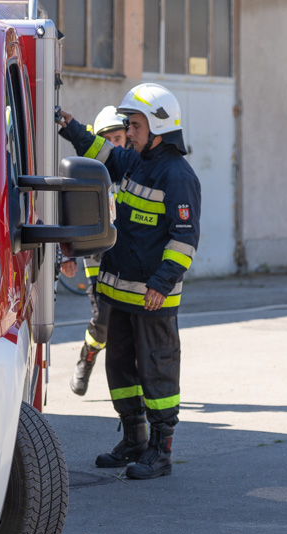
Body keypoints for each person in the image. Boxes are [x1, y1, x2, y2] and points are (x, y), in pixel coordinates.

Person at [57, 83, 201, 480]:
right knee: (120, 368)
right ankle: (134, 439)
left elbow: (184, 239)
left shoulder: (178, 176)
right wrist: (69, 126)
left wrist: (161, 283)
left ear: (157, 127)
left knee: (157, 369)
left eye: (134, 126)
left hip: (152, 297)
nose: (129, 133)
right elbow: (102, 153)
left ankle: (161, 450)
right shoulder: (136, 161)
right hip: (118, 292)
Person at [61, 106, 128, 396]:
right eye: (109, 138)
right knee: (102, 321)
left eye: (119, 137)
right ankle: (86, 359)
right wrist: (67, 253)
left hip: (129, 255)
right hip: (98, 254)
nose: (115, 143)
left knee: (130, 326)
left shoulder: (132, 167)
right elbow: (74, 212)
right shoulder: (89, 175)